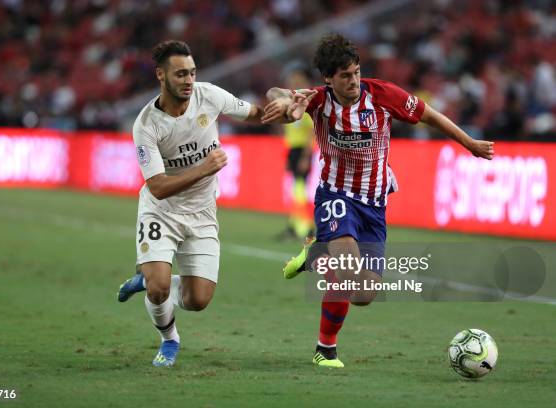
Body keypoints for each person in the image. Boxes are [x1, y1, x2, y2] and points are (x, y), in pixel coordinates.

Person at [262, 34, 494, 368]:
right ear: (328, 78)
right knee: (348, 272)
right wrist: (287, 103)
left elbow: (429, 114)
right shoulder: (316, 100)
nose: (353, 80)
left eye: (356, 72)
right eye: (344, 75)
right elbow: (277, 94)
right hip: (335, 195)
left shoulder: (383, 95)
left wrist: (468, 142)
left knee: (364, 295)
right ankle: (325, 349)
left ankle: (317, 254)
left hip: (374, 203)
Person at [116, 40, 307, 367]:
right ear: (161, 75)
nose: (189, 80)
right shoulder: (146, 124)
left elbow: (260, 115)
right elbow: (158, 187)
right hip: (161, 211)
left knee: (198, 300)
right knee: (160, 289)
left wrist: (288, 110)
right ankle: (169, 339)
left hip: (202, 213)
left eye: (191, 73)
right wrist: (204, 168)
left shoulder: (210, 96)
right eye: (180, 74)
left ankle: (146, 280)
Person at [278, 62, 316, 240]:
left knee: (300, 190)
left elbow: (311, 133)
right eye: (292, 79)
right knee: (296, 190)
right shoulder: (291, 103)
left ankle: (307, 228)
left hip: (302, 151)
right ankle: (295, 226)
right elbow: (289, 132)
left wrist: (306, 157)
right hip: (293, 150)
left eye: (297, 78)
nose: (293, 81)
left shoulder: (306, 104)